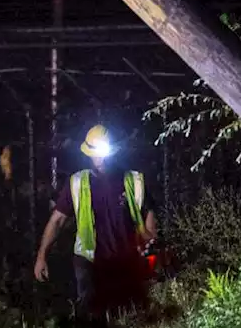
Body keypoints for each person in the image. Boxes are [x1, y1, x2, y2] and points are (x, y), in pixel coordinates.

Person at [34, 125, 158, 317]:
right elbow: (57, 220)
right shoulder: (77, 183)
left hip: (125, 259)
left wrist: (151, 239)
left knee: (128, 314)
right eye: (96, 153)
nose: (100, 157)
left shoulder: (134, 180)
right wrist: (42, 256)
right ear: (89, 154)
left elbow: (148, 210)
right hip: (89, 261)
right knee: (91, 314)